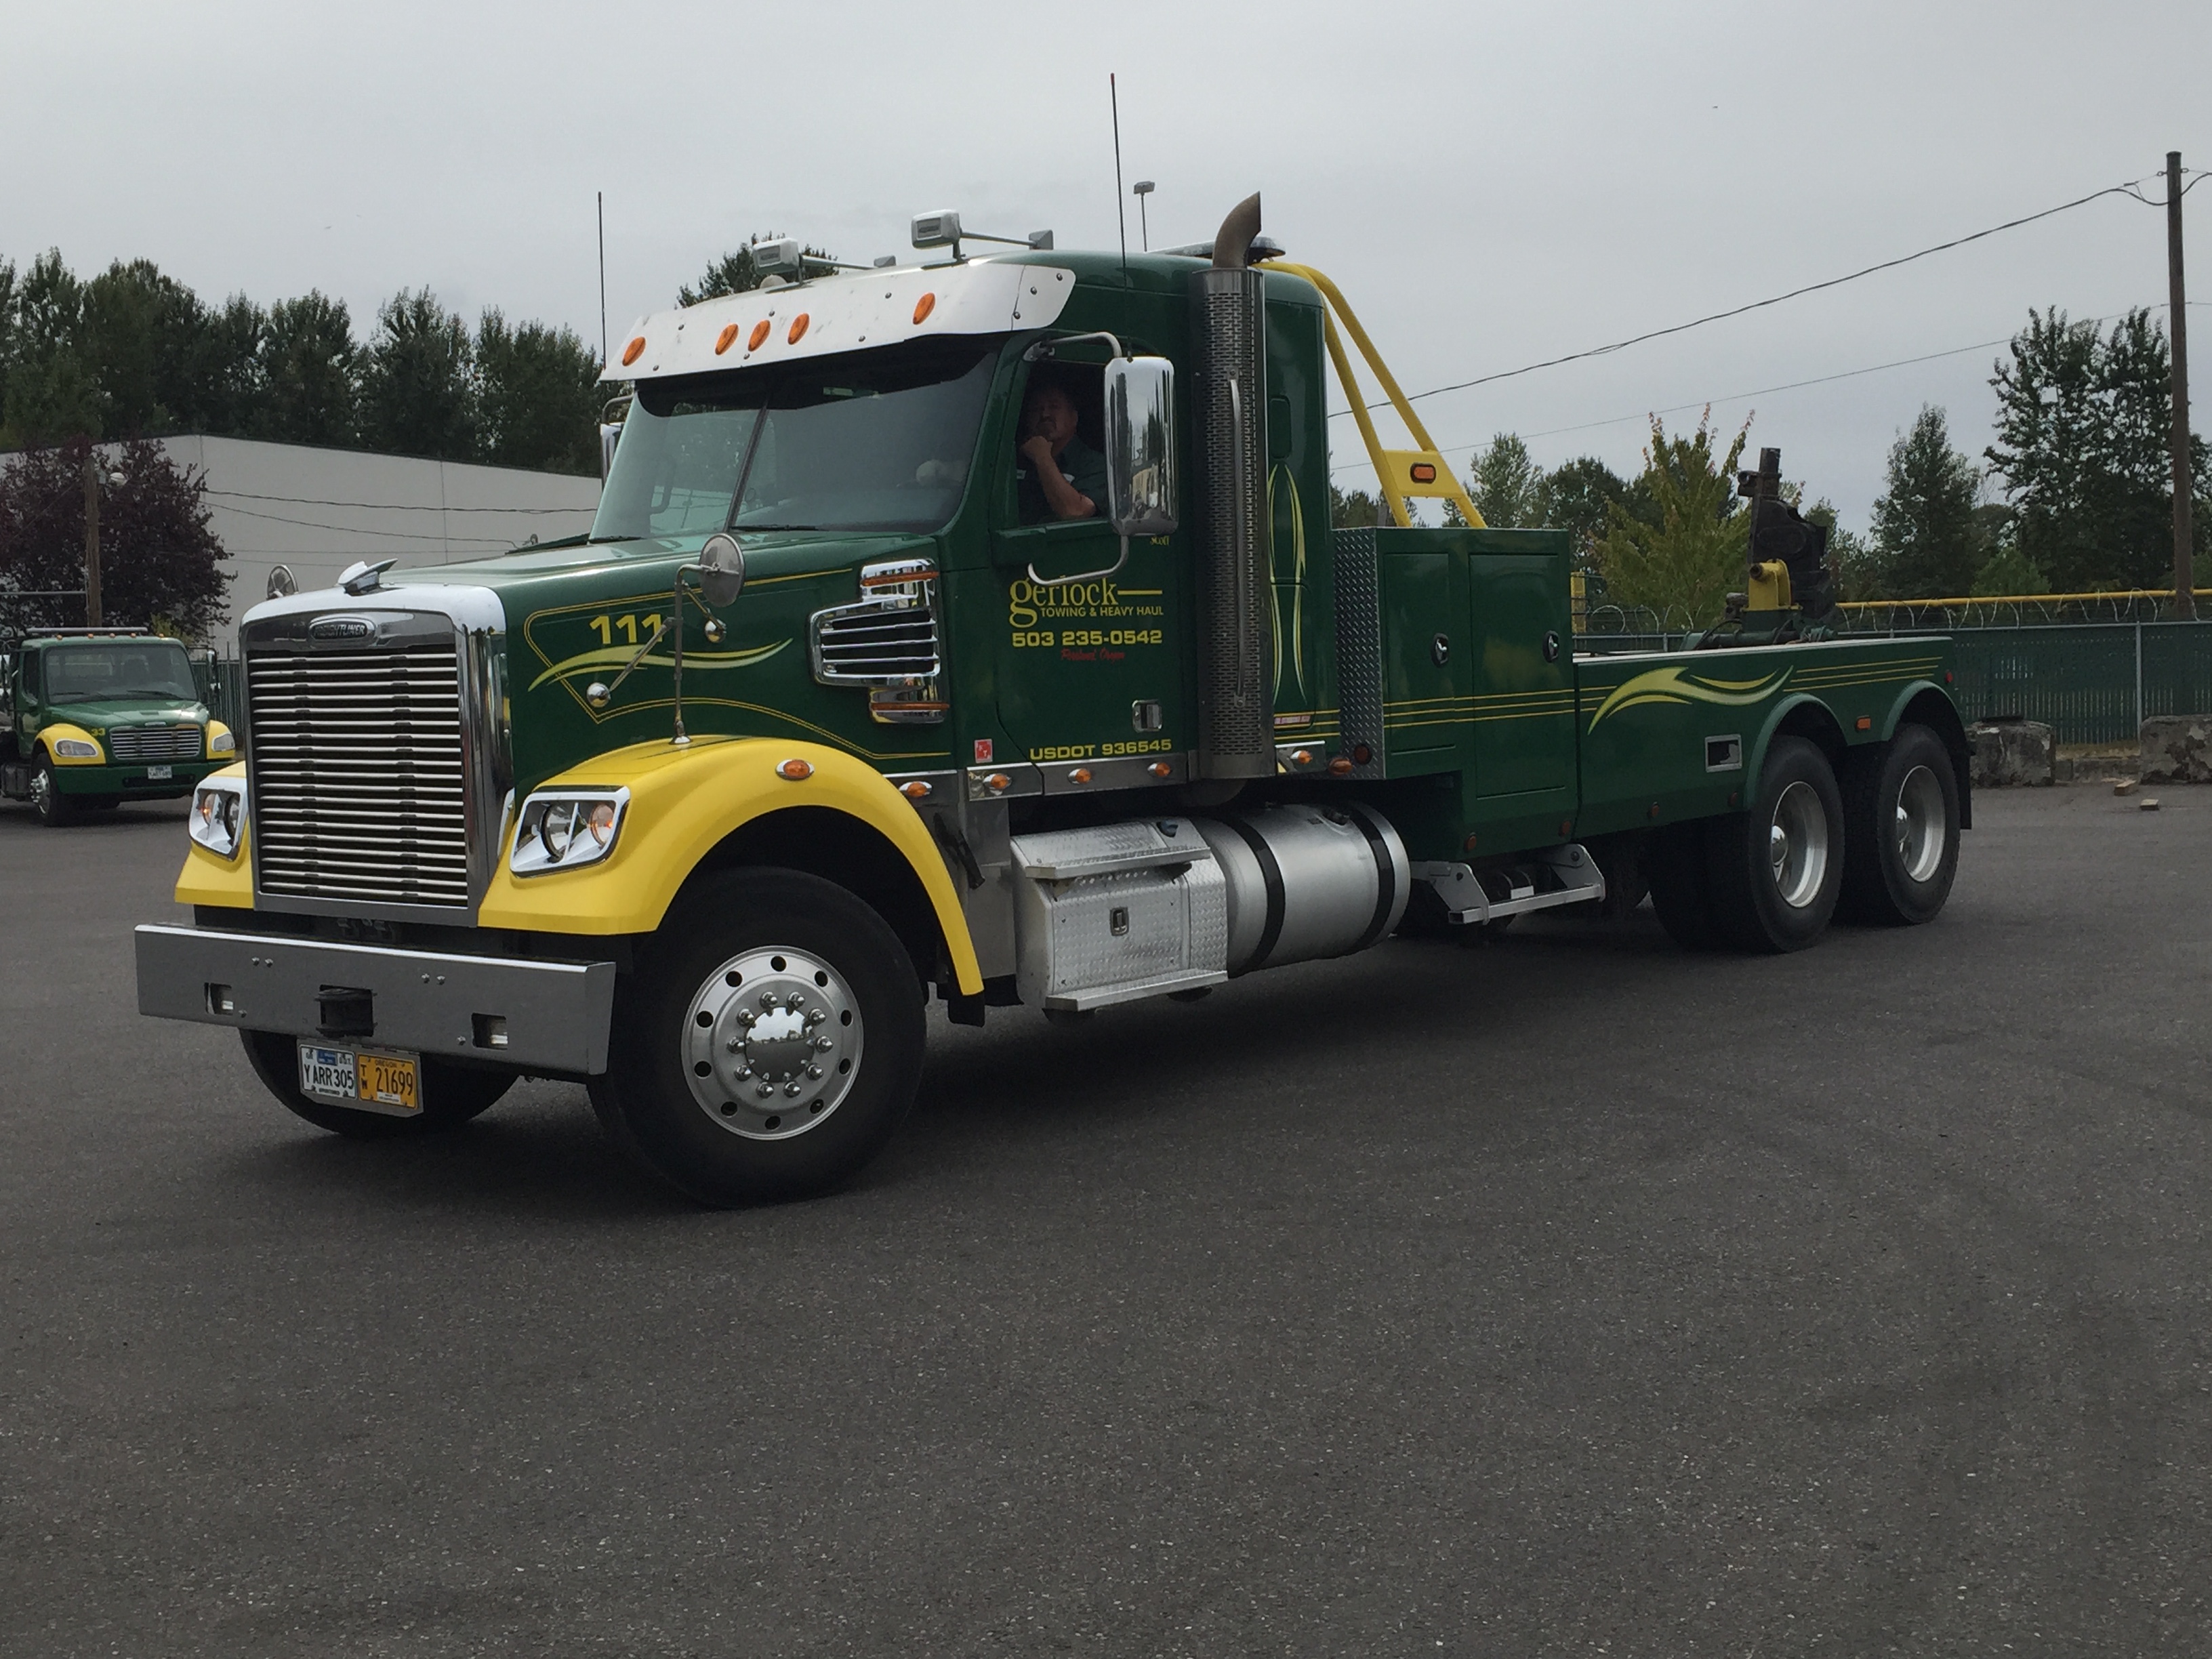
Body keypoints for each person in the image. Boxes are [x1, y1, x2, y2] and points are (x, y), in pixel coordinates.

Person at [1015, 377, 1108, 523]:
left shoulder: (1095, 464)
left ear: (1074, 418)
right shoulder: (1011, 461)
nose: (1045, 415)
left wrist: (1042, 457)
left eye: (1054, 407)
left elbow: (1075, 512)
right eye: (1036, 409)